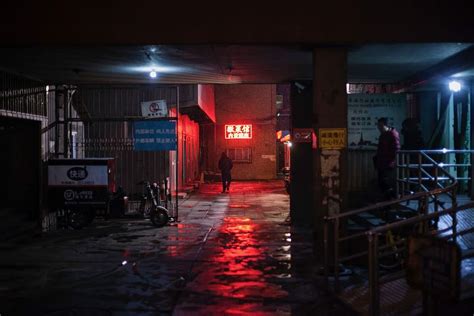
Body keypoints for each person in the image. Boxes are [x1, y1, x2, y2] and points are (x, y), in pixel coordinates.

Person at [373, 117, 400, 199]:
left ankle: (392, 198)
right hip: (382, 162)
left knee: (384, 182)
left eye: (380, 126)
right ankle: (389, 199)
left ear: (385, 125)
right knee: (381, 182)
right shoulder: (384, 134)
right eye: (378, 126)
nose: (379, 128)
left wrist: (391, 161)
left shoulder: (392, 134)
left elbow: (396, 149)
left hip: (387, 163)